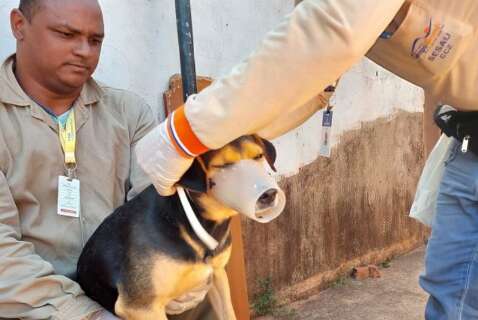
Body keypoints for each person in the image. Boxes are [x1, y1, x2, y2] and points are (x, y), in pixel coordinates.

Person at [136, 0, 478, 319]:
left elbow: (335, 27)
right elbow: (313, 71)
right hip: (466, 141)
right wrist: (220, 137)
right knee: (451, 293)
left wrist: (182, 135)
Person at [0, 0, 212, 319]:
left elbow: (163, 212)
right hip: (34, 304)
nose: (84, 51)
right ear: (19, 25)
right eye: (65, 34)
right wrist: (88, 315)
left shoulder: (128, 114)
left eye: (94, 40)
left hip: (123, 292)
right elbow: (3, 258)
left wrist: (179, 278)